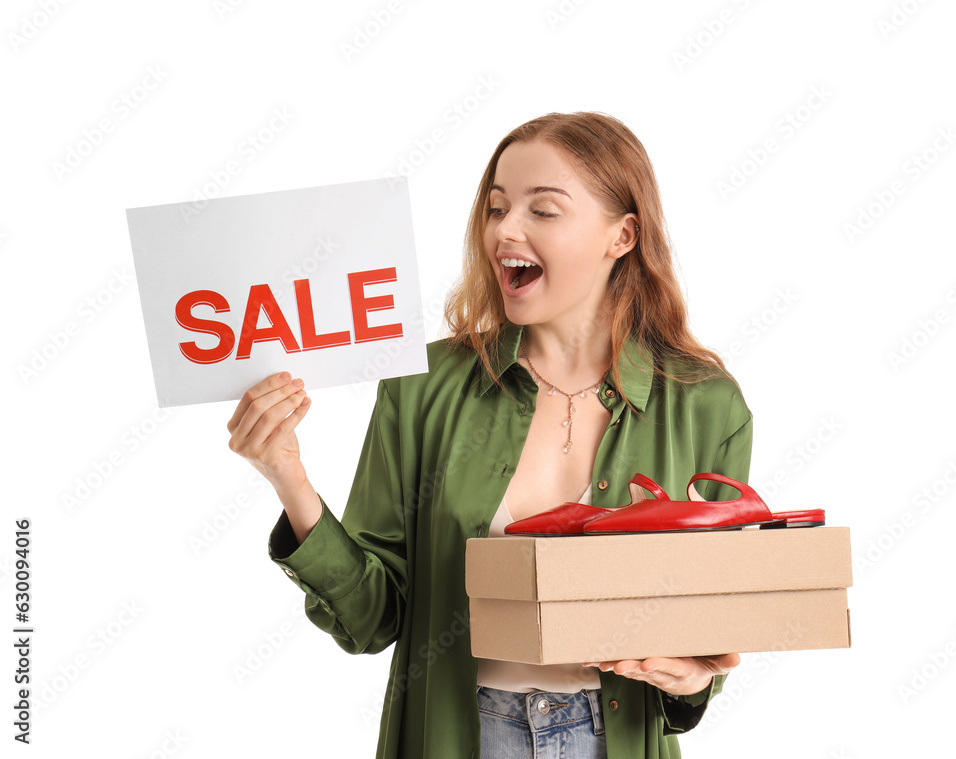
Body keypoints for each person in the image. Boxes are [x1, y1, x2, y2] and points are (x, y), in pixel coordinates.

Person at [227, 112, 751, 759]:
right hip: (460, 735)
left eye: (543, 210)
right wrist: (289, 477)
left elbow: (713, 632)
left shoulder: (704, 403)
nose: (505, 230)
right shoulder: (423, 388)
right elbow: (372, 619)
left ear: (623, 235)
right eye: (496, 207)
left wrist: (696, 674)